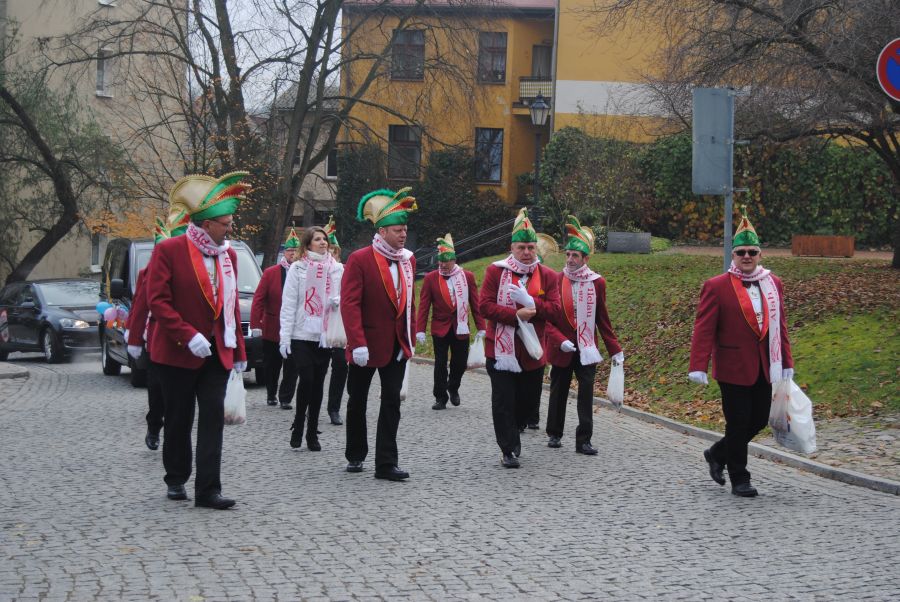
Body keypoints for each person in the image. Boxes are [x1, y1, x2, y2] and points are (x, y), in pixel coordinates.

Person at [146, 171, 249, 510]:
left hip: (217, 351)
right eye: (225, 224)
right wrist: (187, 335)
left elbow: (231, 307)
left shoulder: (230, 256)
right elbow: (157, 301)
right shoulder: (170, 250)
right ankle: (176, 478)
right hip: (177, 353)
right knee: (178, 418)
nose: (230, 229)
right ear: (206, 225)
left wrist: (238, 350)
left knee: (213, 418)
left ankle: (208, 489)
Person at [689, 209, 794, 498]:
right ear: (733, 255)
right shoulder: (716, 286)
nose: (747, 257)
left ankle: (717, 453)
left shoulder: (774, 283)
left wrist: (786, 361)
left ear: (760, 254)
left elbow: (780, 326)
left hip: (765, 365)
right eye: (741, 253)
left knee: (758, 419)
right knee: (737, 422)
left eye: (752, 252)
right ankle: (740, 478)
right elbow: (703, 328)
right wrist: (698, 365)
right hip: (732, 366)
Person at [341, 187, 418, 481]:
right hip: (366, 344)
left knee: (391, 403)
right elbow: (350, 303)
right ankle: (355, 453)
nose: (403, 235)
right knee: (357, 400)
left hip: (396, 344)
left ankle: (386, 463)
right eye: (398, 230)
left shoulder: (408, 260)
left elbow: (409, 303)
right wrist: (357, 342)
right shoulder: (360, 259)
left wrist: (410, 337)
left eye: (405, 229)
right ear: (382, 231)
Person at [479, 208, 561, 468]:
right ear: (512, 248)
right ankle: (508, 448)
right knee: (503, 401)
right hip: (499, 350)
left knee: (527, 404)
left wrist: (532, 304)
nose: (527, 252)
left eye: (530, 248)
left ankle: (516, 428)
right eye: (521, 247)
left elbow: (556, 310)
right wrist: (516, 315)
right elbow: (485, 306)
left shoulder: (547, 276)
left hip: (532, 351)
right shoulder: (495, 271)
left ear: (536, 249)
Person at [544, 216, 623, 455]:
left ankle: (584, 439)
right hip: (562, 346)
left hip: (587, 347)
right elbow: (547, 319)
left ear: (585, 258)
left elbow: (602, 318)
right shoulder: (556, 280)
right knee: (558, 390)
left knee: (586, 394)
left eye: (575, 256)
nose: (569, 259)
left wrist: (615, 349)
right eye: (567, 254)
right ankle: (554, 433)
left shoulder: (597, 283)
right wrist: (560, 341)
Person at [125, 212, 188, 451]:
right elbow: (140, 305)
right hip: (156, 339)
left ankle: (175, 430)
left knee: (179, 393)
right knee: (157, 390)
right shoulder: (147, 273)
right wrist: (134, 335)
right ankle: (154, 426)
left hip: (185, 338)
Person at [279, 225, 343, 451]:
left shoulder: (337, 269)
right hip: (301, 333)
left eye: (324, 239)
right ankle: (299, 423)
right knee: (306, 379)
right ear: (307, 244)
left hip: (324, 335)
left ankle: (312, 431)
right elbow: (288, 303)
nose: (323, 242)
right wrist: (284, 337)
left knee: (317, 383)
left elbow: (345, 294)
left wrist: (338, 300)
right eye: (317, 239)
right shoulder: (297, 268)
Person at [416, 233, 486, 410]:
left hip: (461, 327)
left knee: (460, 363)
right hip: (439, 327)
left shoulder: (467, 276)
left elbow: (475, 303)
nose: (442, 264)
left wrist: (481, 326)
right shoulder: (431, 278)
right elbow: (424, 305)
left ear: (454, 260)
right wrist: (420, 329)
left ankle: (453, 387)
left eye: (446, 261)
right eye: (440, 261)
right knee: (440, 364)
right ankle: (440, 397)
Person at [250, 228, 301, 409]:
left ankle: (286, 397)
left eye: (296, 251)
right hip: (273, 327)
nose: (292, 254)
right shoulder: (271, 273)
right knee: (272, 364)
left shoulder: (303, 271)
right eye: (289, 251)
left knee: (292, 366)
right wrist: (256, 324)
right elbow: (258, 299)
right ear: (284, 252)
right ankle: (271, 393)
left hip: (295, 328)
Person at [323, 216, 347, 426]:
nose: (330, 255)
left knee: (340, 367)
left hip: (339, 328)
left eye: (334, 252)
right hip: (319, 329)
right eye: (327, 251)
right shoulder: (314, 270)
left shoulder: (345, 272)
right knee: (317, 369)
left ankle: (334, 408)